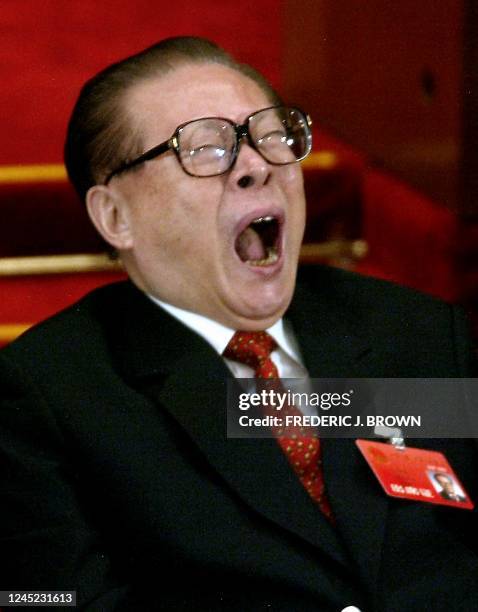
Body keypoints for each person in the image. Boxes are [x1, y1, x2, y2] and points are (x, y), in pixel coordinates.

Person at [0, 36, 477, 612]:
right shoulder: (45, 396)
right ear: (115, 216)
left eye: (272, 134)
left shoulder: (419, 334)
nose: (256, 165)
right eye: (207, 148)